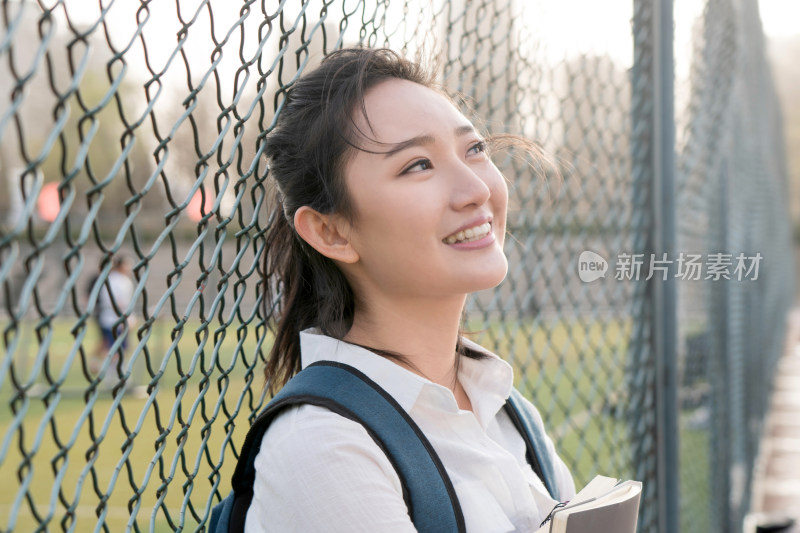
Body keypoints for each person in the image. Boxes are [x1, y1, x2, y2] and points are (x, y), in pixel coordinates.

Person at [247, 47, 575, 532]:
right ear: (331, 231)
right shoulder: (325, 446)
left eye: (475, 150)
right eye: (418, 165)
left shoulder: (506, 410)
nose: (477, 189)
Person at [92, 254, 134, 385]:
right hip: (114, 320)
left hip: (112, 319)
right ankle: (117, 376)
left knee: (117, 349)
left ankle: (114, 377)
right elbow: (118, 302)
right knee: (116, 349)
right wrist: (127, 318)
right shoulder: (117, 281)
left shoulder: (116, 280)